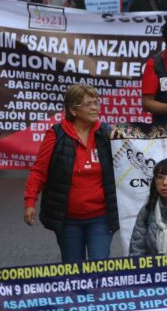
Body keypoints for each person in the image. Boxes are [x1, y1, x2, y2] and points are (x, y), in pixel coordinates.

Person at [23, 84, 117, 262]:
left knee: (100, 268)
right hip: (67, 219)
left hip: (101, 217)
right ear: (73, 110)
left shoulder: (107, 133)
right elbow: (38, 171)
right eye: (89, 104)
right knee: (74, 273)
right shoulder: (55, 134)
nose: (95, 107)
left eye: (96, 102)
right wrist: (30, 201)